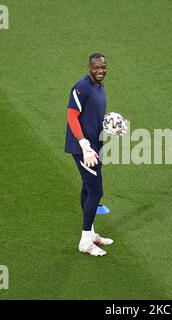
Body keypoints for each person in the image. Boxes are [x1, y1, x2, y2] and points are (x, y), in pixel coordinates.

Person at [64, 53, 114, 256]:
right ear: (89, 67)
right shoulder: (81, 87)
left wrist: (112, 127)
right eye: (96, 68)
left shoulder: (99, 87)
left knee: (88, 186)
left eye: (103, 67)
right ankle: (85, 240)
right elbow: (71, 115)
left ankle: (91, 232)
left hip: (95, 146)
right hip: (84, 149)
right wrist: (84, 145)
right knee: (96, 190)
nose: (100, 71)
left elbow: (93, 117)